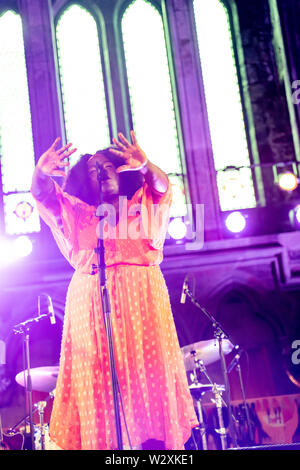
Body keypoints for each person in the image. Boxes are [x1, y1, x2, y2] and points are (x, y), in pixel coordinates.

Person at [31, 131, 198, 450]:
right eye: (94, 168)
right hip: (89, 302)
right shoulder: (75, 211)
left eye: (108, 166)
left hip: (142, 303)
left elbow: (163, 186)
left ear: (124, 173)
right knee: (98, 388)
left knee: (148, 384)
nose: (101, 170)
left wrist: (147, 165)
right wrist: (40, 172)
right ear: (83, 180)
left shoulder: (144, 203)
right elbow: (43, 195)